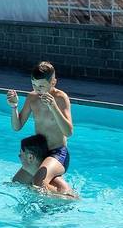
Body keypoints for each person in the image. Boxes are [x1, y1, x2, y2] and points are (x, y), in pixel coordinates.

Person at [6, 61, 73, 190]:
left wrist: (53, 107)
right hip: (39, 152)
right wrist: (14, 107)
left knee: (38, 182)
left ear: (53, 82)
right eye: (34, 85)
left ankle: (54, 204)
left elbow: (68, 132)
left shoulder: (61, 98)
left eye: (41, 86)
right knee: (16, 182)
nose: (37, 89)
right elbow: (17, 126)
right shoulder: (32, 97)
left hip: (57, 153)